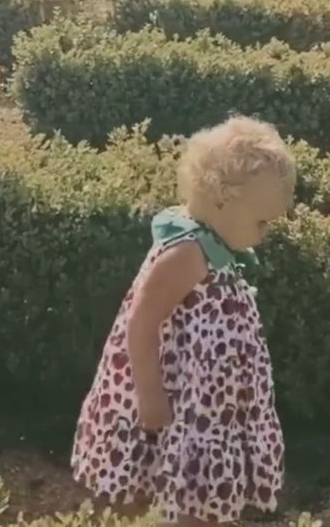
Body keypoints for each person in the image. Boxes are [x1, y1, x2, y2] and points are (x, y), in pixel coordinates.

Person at [71, 115, 295, 525]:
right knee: (194, 491)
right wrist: (151, 397)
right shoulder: (188, 254)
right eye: (261, 222)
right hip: (184, 400)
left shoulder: (213, 243)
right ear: (224, 201)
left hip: (210, 397)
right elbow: (141, 322)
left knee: (202, 494)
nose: (265, 234)